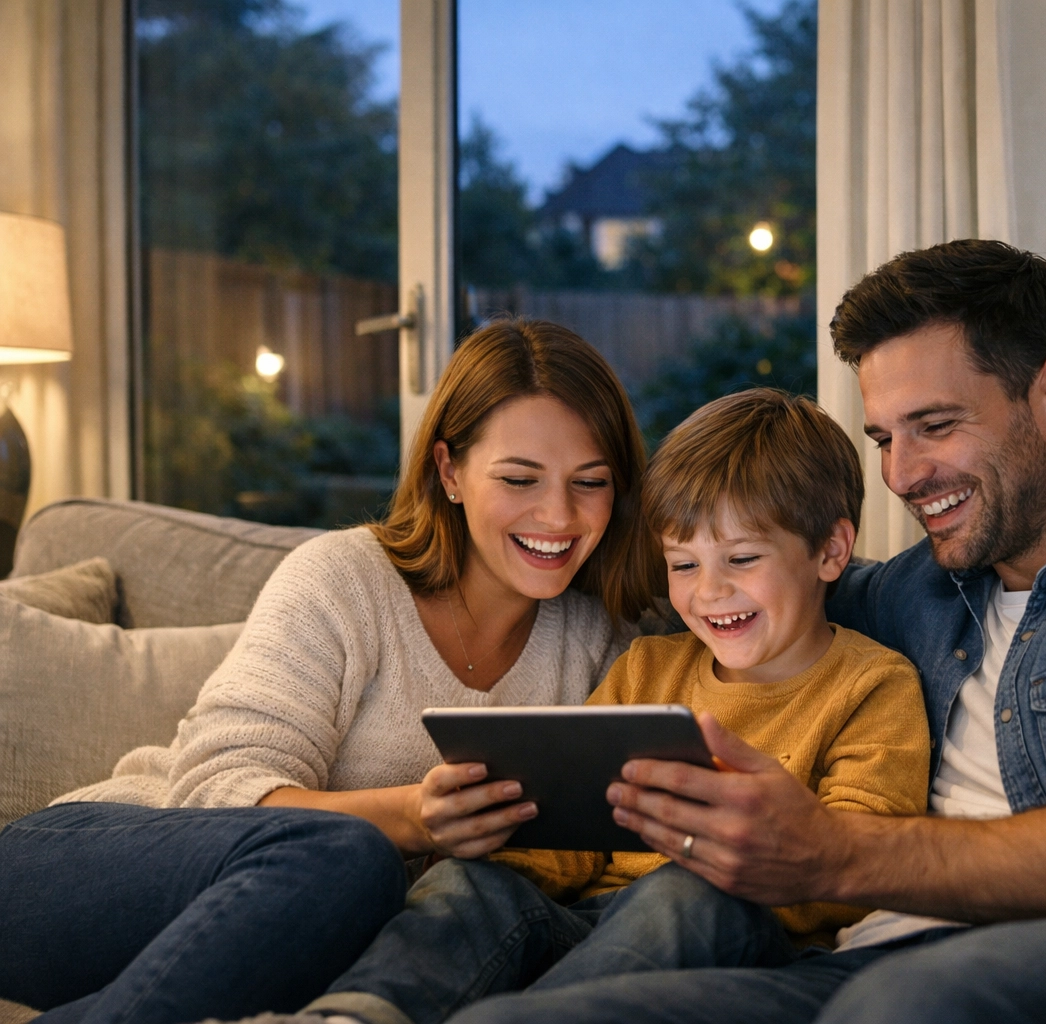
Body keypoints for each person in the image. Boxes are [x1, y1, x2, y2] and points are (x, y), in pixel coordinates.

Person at [447, 241, 1046, 1024]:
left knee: (908, 1006)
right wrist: (491, 558)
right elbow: (736, 580)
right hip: (862, 966)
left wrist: (836, 853)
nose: (903, 474)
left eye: (935, 426)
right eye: (883, 440)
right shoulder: (918, 592)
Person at [0, 318, 661, 1024]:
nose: (558, 515)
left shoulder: (603, 643)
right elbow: (213, 791)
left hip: (302, 937)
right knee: (353, 858)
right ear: (449, 471)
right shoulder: (347, 580)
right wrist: (414, 819)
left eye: (589, 482)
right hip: (84, 864)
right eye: (519, 478)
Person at [282, 388, 929, 1024]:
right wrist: (500, 850)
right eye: (682, 565)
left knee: (689, 893)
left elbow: (851, 866)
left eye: (741, 558)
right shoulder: (647, 667)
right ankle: (353, 1015)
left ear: (831, 552)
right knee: (471, 886)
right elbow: (577, 831)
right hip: (590, 928)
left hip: (732, 932)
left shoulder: (872, 686)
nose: (709, 591)